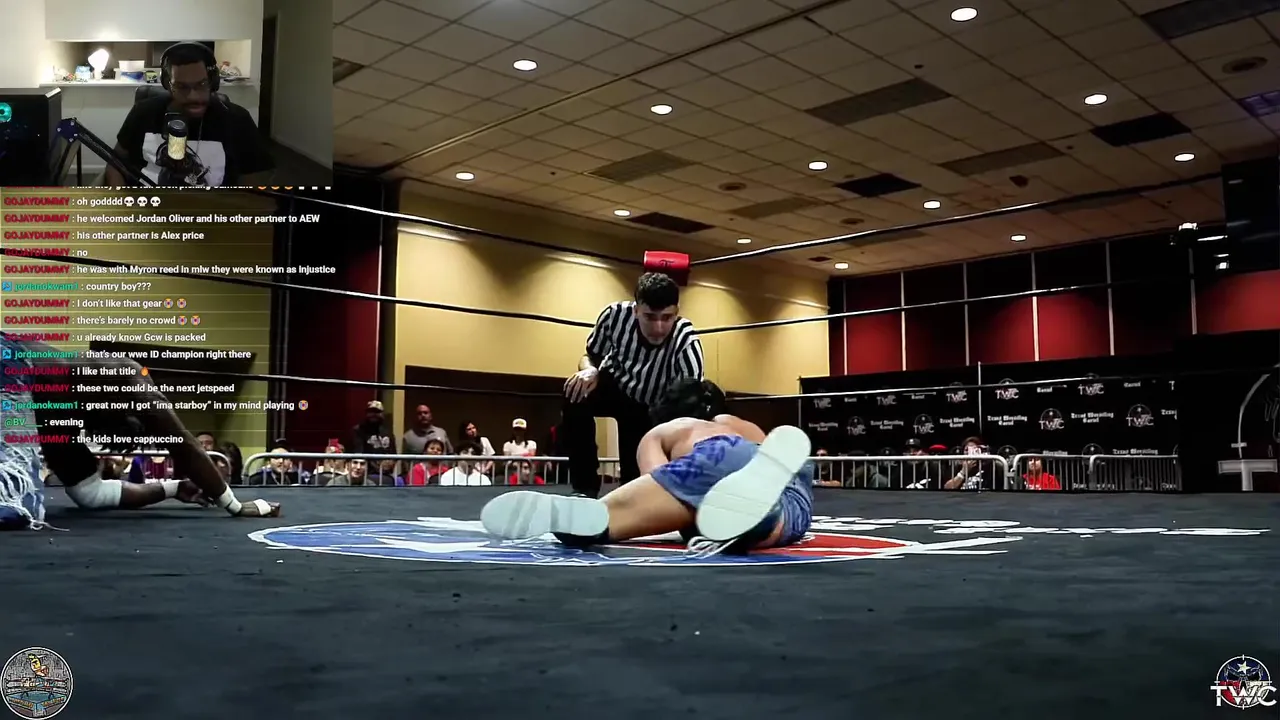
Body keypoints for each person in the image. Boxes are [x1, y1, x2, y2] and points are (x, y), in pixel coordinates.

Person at [481, 379, 814, 555]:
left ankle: (588, 517)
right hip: (791, 478)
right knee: (779, 521)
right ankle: (763, 520)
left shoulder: (666, 431)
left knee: (672, 513)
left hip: (715, 457)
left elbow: (658, 484)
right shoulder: (738, 423)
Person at [0, 332, 279, 529]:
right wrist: (234, 505)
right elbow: (183, 444)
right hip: (10, 360)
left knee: (18, 499)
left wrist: (173, 488)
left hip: (16, 375)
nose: (92, 434)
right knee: (16, 505)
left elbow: (92, 494)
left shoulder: (57, 423)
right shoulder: (122, 375)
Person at [562, 272, 705, 498]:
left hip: (650, 407)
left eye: (667, 318)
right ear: (636, 310)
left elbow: (690, 408)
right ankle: (584, 488)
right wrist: (589, 370)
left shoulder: (686, 341)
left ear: (677, 313)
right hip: (614, 385)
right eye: (650, 317)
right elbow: (589, 356)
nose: (658, 327)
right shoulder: (614, 316)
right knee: (575, 391)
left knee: (633, 485)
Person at [105, 42, 273, 188]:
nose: (193, 96)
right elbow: (116, 162)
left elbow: (254, 181)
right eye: (181, 87)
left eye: (201, 84)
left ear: (213, 82)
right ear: (167, 84)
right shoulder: (143, 112)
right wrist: (121, 204)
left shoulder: (237, 120)